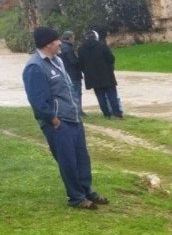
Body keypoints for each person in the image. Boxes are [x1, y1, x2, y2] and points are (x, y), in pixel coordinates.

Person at [22, 26, 108, 209]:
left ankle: (87, 191)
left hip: (73, 118)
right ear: (48, 44)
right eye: (56, 40)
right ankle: (76, 197)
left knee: (82, 158)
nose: (60, 43)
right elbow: (38, 102)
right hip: (58, 123)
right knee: (68, 160)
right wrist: (54, 120)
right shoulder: (35, 67)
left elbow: (67, 89)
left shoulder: (57, 60)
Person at [77, 30, 123, 119]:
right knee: (112, 94)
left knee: (100, 96)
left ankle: (106, 114)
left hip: (92, 77)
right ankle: (117, 113)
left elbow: (81, 64)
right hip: (106, 74)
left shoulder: (81, 49)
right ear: (96, 37)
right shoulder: (102, 46)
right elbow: (111, 58)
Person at [59, 31, 84, 116]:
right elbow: (74, 62)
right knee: (76, 93)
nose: (74, 40)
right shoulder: (68, 49)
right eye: (73, 38)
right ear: (70, 38)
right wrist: (80, 63)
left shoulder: (60, 48)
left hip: (65, 73)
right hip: (73, 74)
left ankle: (71, 110)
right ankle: (78, 111)